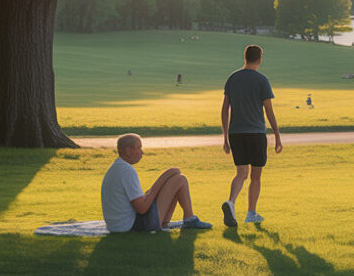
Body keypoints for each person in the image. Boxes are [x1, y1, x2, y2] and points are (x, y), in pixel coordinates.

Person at [221, 44, 283, 227]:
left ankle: (231, 203)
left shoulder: (232, 78)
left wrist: (225, 137)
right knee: (255, 176)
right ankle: (251, 213)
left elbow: (225, 110)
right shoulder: (262, 80)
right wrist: (277, 135)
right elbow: (269, 111)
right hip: (256, 133)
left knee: (241, 173)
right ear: (260, 58)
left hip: (236, 134)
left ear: (245, 57)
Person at [101, 134, 211, 233]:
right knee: (179, 179)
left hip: (119, 225)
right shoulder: (126, 171)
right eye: (138, 148)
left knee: (176, 177)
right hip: (133, 225)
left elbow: (137, 203)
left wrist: (152, 192)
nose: (142, 152)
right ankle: (189, 219)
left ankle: (187, 218)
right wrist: (162, 178)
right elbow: (142, 208)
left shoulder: (117, 168)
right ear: (128, 151)